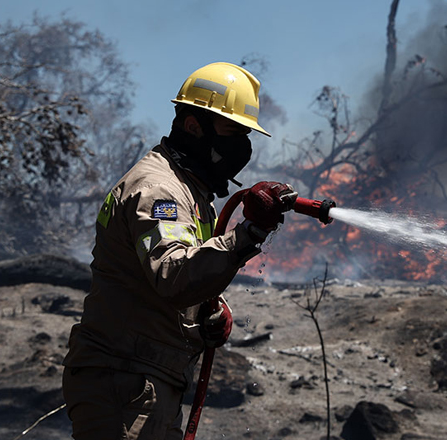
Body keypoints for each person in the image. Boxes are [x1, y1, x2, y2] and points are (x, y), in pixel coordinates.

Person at [62, 62, 297, 439]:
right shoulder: (160, 190)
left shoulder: (190, 192)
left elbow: (161, 283)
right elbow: (174, 276)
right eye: (231, 132)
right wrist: (248, 233)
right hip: (124, 381)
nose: (242, 146)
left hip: (142, 380)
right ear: (193, 126)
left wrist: (207, 313)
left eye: (244, 134)